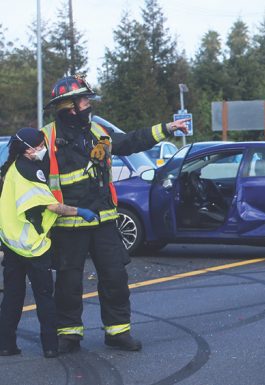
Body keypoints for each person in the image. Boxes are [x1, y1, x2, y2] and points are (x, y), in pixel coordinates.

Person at [41, 74, 189, 353]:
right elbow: (28, 177)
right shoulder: (46, 138)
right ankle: (68, 334)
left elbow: (132, 141)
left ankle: (117, 331)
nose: (89, 105)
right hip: (68, 223)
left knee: (115, 278)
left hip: (104, 221)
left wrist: (167, 128)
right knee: (68, 281)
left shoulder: (97, 130)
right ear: (69, 106)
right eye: (84, 100)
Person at [0, 128, 98, 358]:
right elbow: (53, 206)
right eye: (40, 146)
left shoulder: (13, 168)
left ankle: (5, 344)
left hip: (12, 244)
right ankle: (51, 347)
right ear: (28, 150)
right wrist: (79, 211)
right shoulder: (29, 173)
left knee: (13, 296)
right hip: (32, 247)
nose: (43, 149)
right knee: (44, 296)